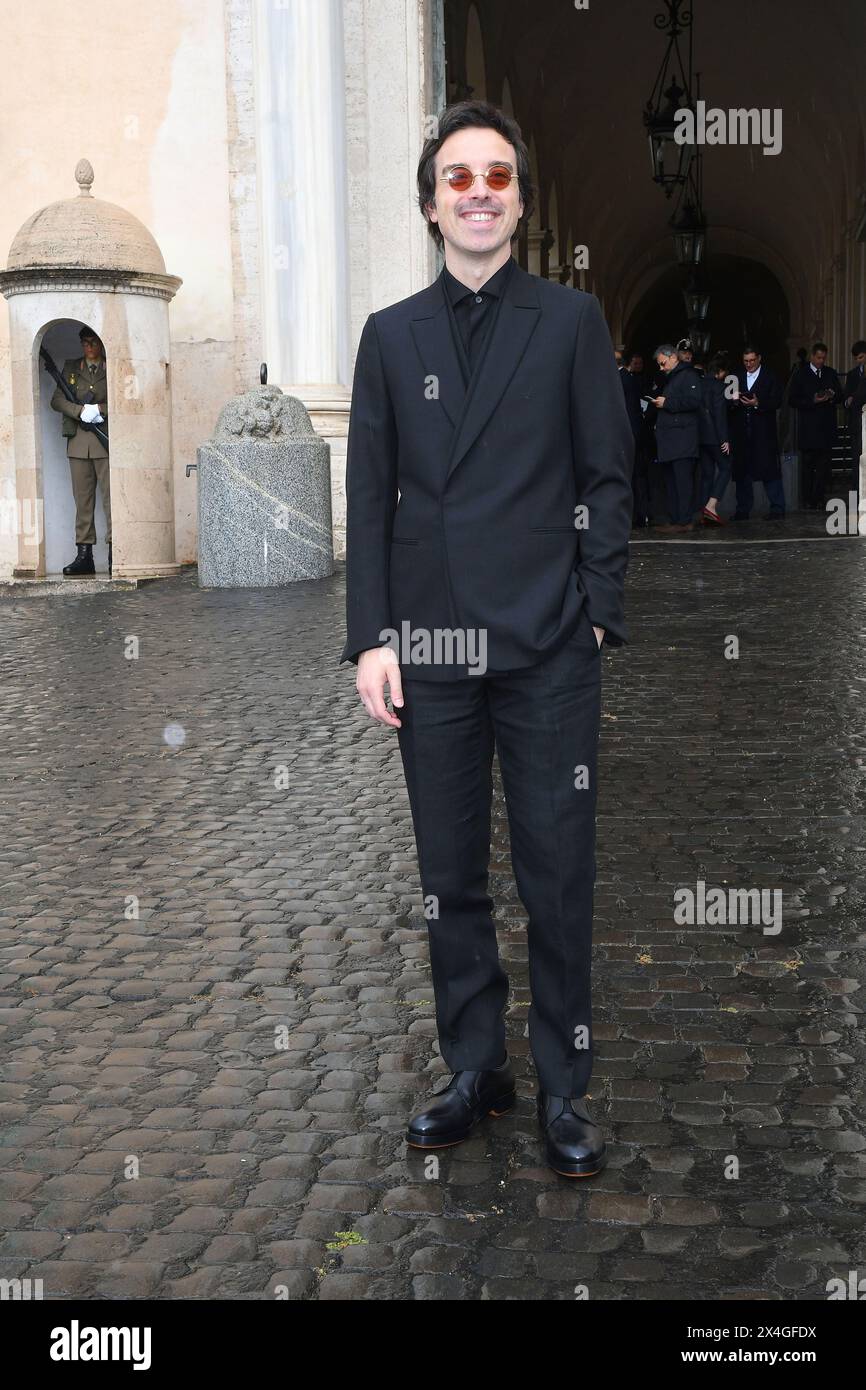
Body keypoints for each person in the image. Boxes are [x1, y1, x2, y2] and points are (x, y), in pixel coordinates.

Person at [340, 99, 633, 1178]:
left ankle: (563, 1086)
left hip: (549, 643)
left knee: (556, 873)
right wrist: (370, 637)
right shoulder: (387, 336)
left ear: (514, 200)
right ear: (430, 203)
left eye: (495, 176)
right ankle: (475, 1067)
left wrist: (596, 608)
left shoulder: (568, 322)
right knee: (448, 874)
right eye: (456, 177)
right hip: (428, 648)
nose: (476, 192)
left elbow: (606, 477)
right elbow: (368, 496)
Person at [49, 326, 111, 575]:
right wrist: (79, 411)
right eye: (85, 343)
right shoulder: (72, 367)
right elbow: (57, 400)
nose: (89, 347)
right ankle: (84, 555)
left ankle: (115, 552)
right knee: (83, 502)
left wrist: (100, 409)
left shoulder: (111, 366)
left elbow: (125, 396)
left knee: (111, 500)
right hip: (78, 444)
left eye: (93, 342)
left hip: (105, 442)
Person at [728, 345, 785, 521]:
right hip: (741, 432)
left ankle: (777, 508)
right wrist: (735, 400)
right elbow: (726, 403)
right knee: (742, 472)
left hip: (763, 432)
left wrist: (757, 403)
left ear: (759, 358)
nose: (749, 364)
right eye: (746, 361)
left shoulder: (770, 376)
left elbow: (777, 400)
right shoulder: (734, 376)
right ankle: (743, 509)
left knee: (769, 471)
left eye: (752, 360)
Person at [650, 343, 701, 531]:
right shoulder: (672, 378)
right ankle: (675, 518)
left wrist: (667, 403)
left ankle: (684, 520)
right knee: (671, 482)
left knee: (682, 482)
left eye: (663, 364)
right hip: (671, 440)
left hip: (682, 439)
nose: (661, 368)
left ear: (672, 357)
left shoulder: (688, 375)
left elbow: (694, 400)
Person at [787, 341, 842, 510]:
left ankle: (818, 497)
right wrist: (812, 400)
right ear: (812, 356)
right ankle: (807, 498)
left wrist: (832, 396)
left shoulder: (830, 373)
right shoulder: (801, 374)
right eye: (818, 358)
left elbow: (840, 395)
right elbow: (792, 399)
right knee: (808, 466)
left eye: (823, 358)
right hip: (809, 428)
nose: (821, 361)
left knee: (824, 466)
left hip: (826, 428)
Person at [698, 354, 732, 524]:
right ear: (719, 372)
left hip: (701, 438)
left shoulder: (700, 384)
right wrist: (724, 438)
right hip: (715, 437)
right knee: (726, 469)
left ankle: (703, 513)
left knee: (707, 474)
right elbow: (719, 415)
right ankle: (711, 505)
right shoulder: (719, 387)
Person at [619, 352, 646, 527]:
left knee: (628, 476)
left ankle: (631, 516)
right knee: (638, 476)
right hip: (636, 431)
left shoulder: (619, 379)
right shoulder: (630, 379)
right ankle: (640, 515)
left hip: (625, 434)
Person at [843, 339, 866, 495]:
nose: (859, 360)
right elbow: (846, 398)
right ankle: (856, 494)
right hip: (857, 424)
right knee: (856, 460)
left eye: (862, 357)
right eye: (857, 358)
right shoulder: (852, 375)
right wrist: (848, 401)